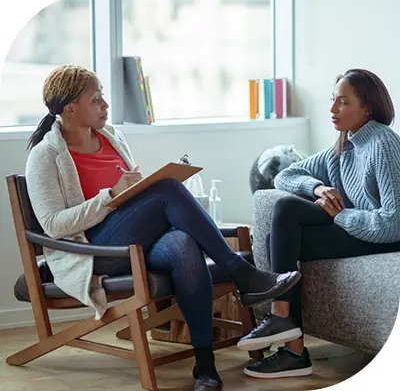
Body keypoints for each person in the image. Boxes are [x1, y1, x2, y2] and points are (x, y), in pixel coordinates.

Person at [25, 65, 301, 391]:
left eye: (103, 98)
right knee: (167, 189)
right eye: (96, 99)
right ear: (70, 108)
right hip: (92, 252)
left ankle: (205, 366)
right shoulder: (45, 156)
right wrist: (111, 196)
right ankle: (243, 275)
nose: (105, 105)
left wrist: (132, 192)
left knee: (183, 243)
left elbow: (129, 203)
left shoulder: (112, 138)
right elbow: (54, 226)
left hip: (134, 242)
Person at [237, 68, 400, 379]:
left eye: (343, 102)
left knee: (285, 223)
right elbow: (285, 175)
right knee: (282, 227)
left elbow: (394, 223)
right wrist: (318, 188)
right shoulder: (344, 147)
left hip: (386, 236)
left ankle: (287, 334)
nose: (332, 110)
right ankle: (291, 342)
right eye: (333, 101)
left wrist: (339, 215)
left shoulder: (383, 144)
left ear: (367, 108)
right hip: (359, 229)